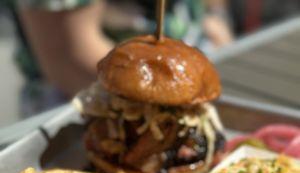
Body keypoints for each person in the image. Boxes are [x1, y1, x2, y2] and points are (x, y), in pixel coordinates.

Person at [4, 0, 233, 116]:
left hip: (197, 63)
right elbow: (68, 57)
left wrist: (215, 15)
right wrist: (163, 111)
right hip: (84, 97)